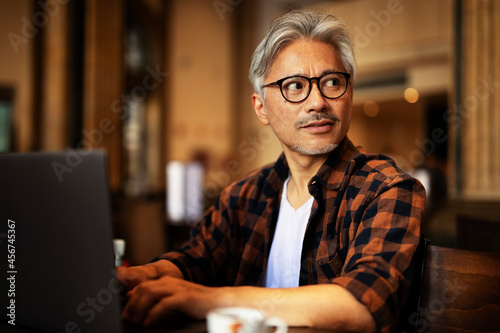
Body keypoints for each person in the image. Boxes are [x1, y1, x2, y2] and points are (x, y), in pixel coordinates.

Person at [118, 9, 425, 333]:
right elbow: (194, 260)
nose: (317, 101)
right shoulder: (242, 196)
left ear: (348, 94)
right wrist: (145, 275)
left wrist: (209, 299)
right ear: (261, 107)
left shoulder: (386, 190)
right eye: (295, 85)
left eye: (332, 82)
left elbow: (363, 306)